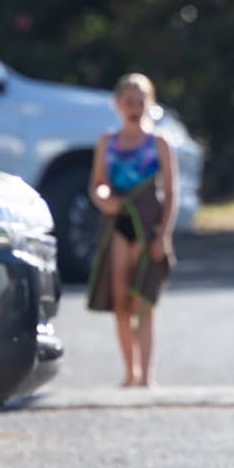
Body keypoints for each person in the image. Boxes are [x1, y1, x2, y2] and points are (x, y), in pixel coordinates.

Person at [87, 72, 178, 387]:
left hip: (148, 226)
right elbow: (97, 184)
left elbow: (171, 192)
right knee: (121, 300)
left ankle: (146, 375)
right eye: (129, 102)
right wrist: (104, 200)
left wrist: (163, 235)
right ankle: (130, 371)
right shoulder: (107, 142)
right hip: (118, 225)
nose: (134, 107)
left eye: (140, 101)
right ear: (118, 105)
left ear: (149, 104)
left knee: (144, 300)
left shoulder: (160, 143)